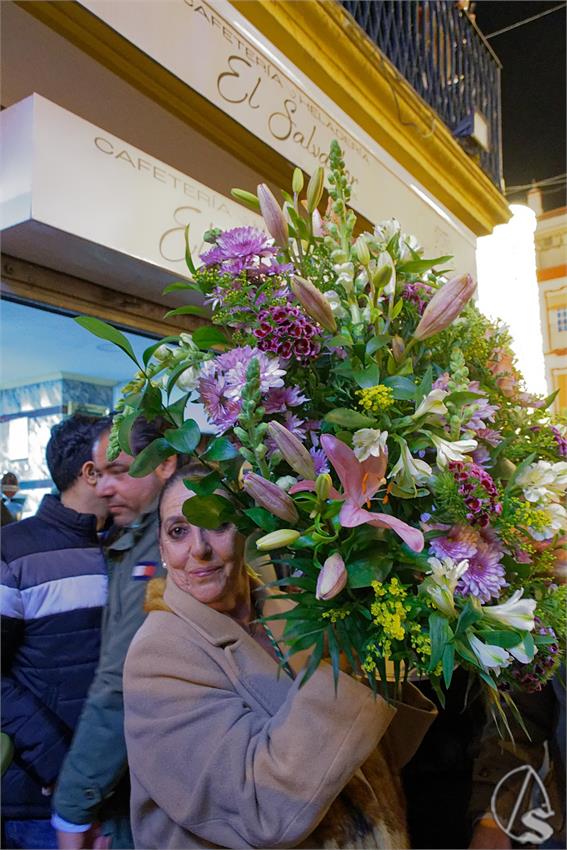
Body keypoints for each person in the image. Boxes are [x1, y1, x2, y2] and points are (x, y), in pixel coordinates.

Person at [123, 466, 438, 850]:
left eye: (217, 524)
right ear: (161, 548)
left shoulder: (293, 608)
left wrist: (384, 631)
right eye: (178, 531)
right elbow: (262, 806)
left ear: (247, 527)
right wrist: (350, 669)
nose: (199, 548)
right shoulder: (158, 655)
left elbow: (367, 758)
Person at [52, 417, 177, 849]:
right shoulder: (132, 539)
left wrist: (72, 808)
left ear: (165, 464)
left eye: (119, 473)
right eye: (99, 475)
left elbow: (123, 683)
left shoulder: (170, 546)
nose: (103, 489)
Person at [1, 415, 110, 850]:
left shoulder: (133, 546)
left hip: (123, 791)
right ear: (91, 473)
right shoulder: (13, 551)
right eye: (121, 464)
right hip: (39, 801)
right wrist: (61, 765)